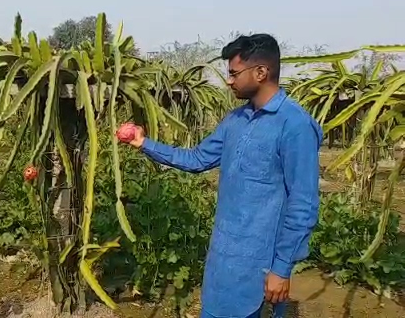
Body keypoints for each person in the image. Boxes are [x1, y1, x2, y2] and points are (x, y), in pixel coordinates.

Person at [119, 34, 323, 318]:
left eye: (234, 73)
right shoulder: (235, 121)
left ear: (261, 72)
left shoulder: (295, 125)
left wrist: (281, 268)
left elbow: (303, 205)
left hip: (260, 270)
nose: (229, 81)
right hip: (222, 264)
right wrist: (144, 143)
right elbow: (197, 159)